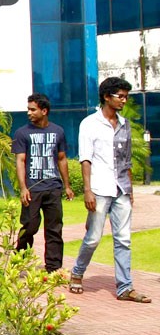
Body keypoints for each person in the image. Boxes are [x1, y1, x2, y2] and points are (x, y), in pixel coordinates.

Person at [70, 77, 151, 302]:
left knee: (123, 239)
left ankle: (125, 287)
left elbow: (126, 159)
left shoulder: (124, 124)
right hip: (99, 188)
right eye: (120, 96)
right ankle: (77, 272)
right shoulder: (90, 123)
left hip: (121, 188)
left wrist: (131, 188)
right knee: (93, 238)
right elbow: (85, 159)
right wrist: (87, 190)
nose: (124, 100)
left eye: (126, 96)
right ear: (107, 97)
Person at [11, 92, 75, 271]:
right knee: (29, 227)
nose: (29, 113)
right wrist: (23, 188)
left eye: (33, 109)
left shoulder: (58, 131)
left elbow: (62, 159)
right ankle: (19, 261)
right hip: (32, 189)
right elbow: (20, 161)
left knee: (54, 229)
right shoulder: (22, 133)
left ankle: (54, 267)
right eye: (28, 109)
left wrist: (67, 186)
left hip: (53, 187)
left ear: (44, 111)